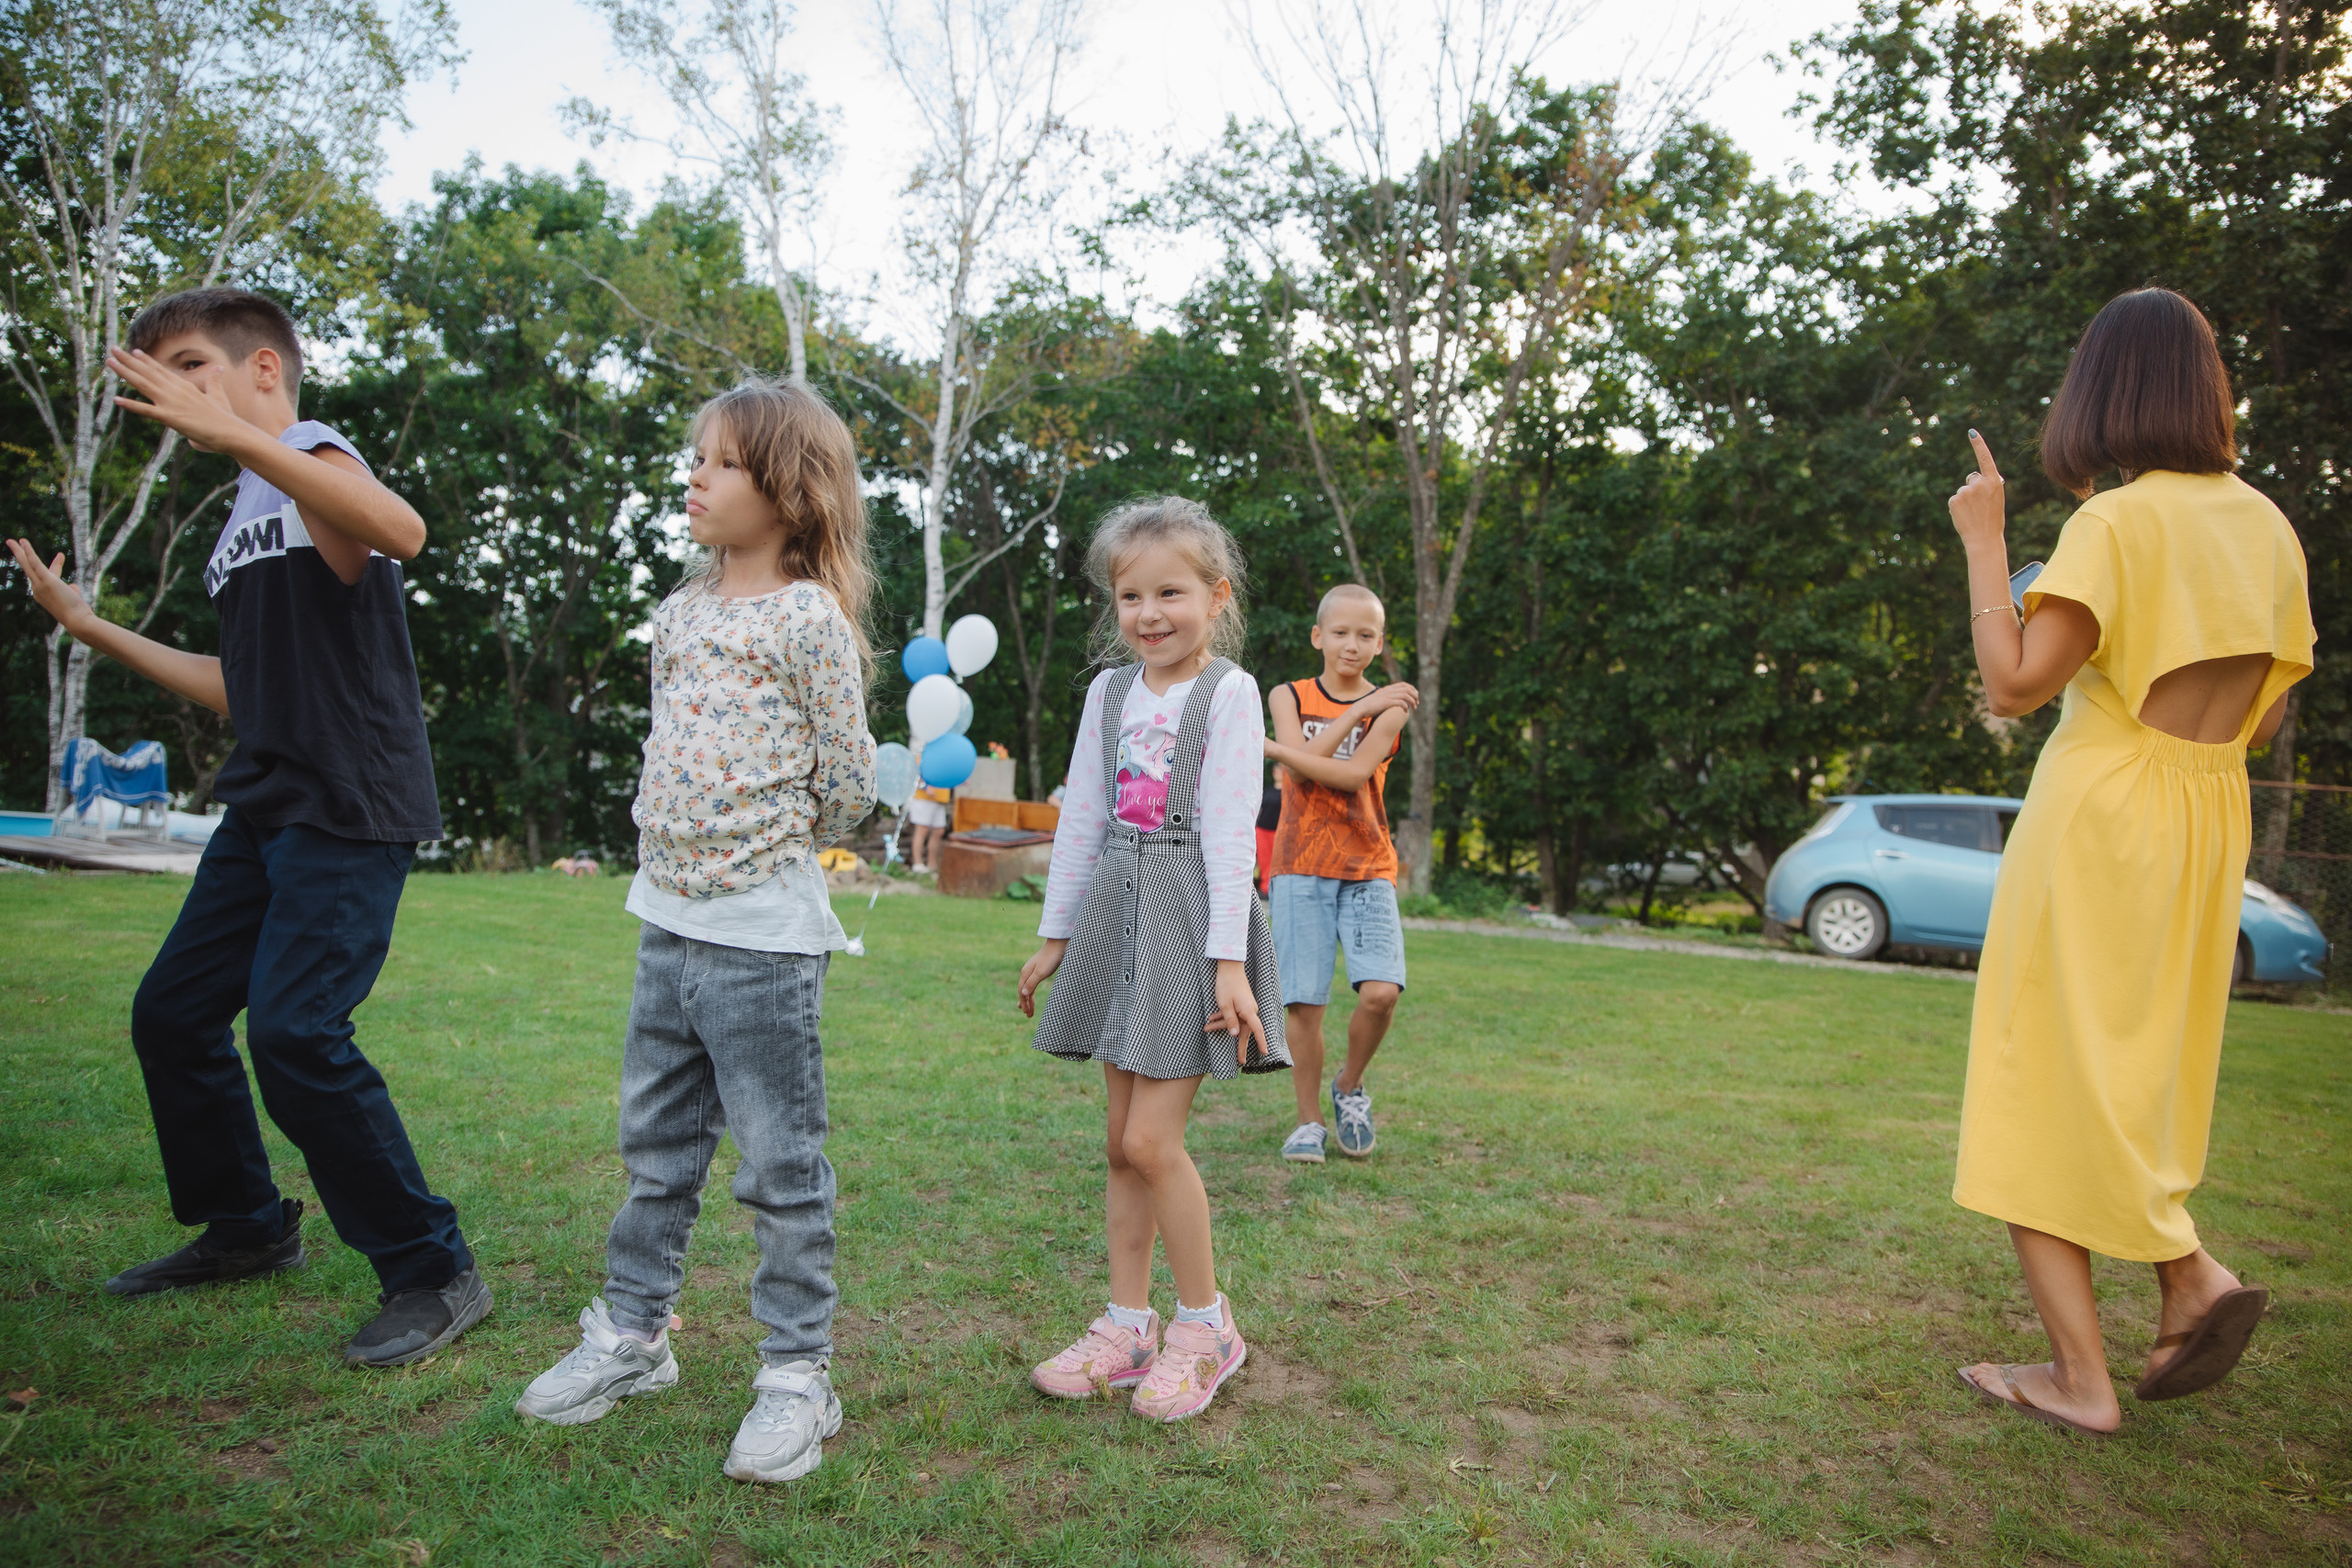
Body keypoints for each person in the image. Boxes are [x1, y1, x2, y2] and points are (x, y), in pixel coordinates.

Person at [4, 288, 487, 1367]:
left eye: (189, 364)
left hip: (348, 800)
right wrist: (91, 626)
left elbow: (403, 530)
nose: (172, 387)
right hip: (266, 800)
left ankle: (431, 1268)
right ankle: (247, 1230)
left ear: (263, 368)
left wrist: (236, 434)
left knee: (296, 1034)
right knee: (175, 1015)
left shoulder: (311, 449)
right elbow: (242, 683)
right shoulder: (244, 509)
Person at [1946, 288, 2313, 1437]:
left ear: (2099, 390)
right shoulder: (2266, 524)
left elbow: (2014, 682)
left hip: (2101, 812)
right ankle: (2185, 1278)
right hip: (2206, 814)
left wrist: (1987, 538)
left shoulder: (2115, 523)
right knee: (2138, 1072)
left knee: (2036, 1079)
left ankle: (2080, 1377)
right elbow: (2258, 723)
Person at [512, 378, 877, 1484]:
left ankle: (797, 1376)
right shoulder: (677, 611)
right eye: (695, 458)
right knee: (656, 1151)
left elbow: (849, 780)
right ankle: (632, 1337)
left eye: (720, 462)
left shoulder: (809, 616)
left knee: (777, 1162)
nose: (695, 477)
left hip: (763, 939)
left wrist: (759, 850)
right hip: (660, 923)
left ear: (788, 488)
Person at [1014, 495, 1288, 1422]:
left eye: (1170, 592)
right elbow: (1083, 820)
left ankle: (1206, 1328)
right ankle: (1126, 1326)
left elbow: (1228, 835)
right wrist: (1057, 936)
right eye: (1130, 596)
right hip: (1114, 914)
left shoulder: (1231, 693)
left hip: (1189, 923)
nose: (1149, 614)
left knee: (1149, 1142)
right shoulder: (1106, 694)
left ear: (1215, 597)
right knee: (1117, 1146)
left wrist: (1227, 963)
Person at [1261, 584, 1417, 1163]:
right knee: (1303, 1003)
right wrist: (1354, 710)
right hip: (1300, 863)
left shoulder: (1393, 704)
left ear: (1379, 643)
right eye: (1342, 633)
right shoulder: (1287, 694)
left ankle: (1349, 1085)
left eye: (1366, 635)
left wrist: (1281, 749)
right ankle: (1308, 1123)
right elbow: (1300, 782)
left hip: (1368, 863)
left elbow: (1349, 775)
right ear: (1318, 636)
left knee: (1380, 994)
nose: (1353, 645)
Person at [907, 773, 950, 874]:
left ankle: (932, 865)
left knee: (939, 831)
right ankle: (917, 864)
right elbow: (916, 770)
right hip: (924, 797)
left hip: (939, 798)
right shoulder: (923, 756)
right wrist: (925, 786)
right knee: (922, 830)